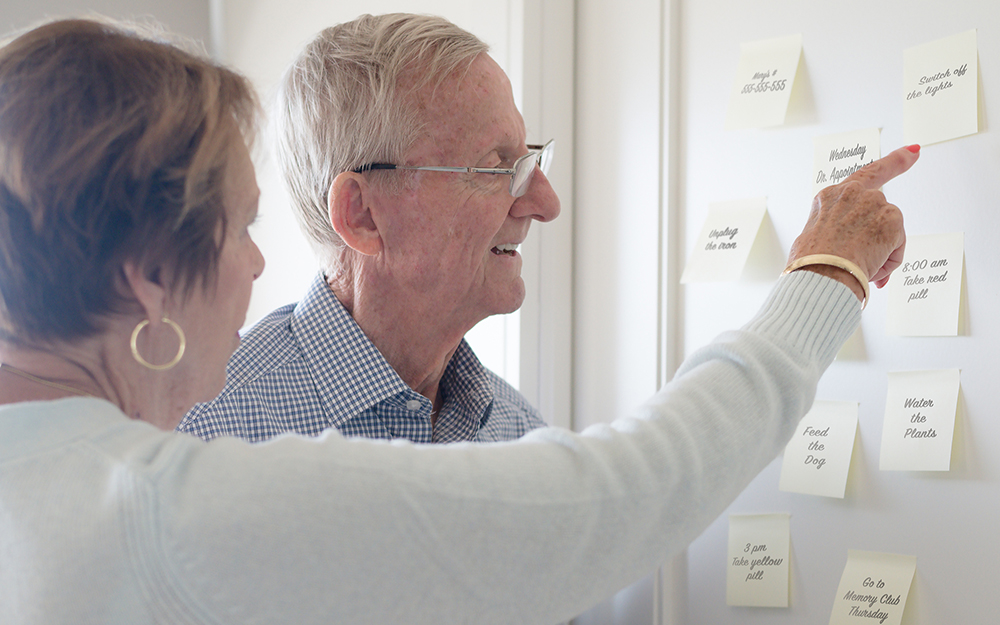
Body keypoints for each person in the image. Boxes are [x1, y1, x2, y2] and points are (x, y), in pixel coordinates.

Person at [0, 17, 918, 625]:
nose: (255, 259)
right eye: (495, 167)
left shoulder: (513, 428)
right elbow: (635, 487)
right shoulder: (181, 485)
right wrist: (825, 277)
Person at [178, 13, 558, 444]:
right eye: (494, 167)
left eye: (529, 160)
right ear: (361, 215)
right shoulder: (206, 438)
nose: (546, 204)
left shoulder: (518, 431)